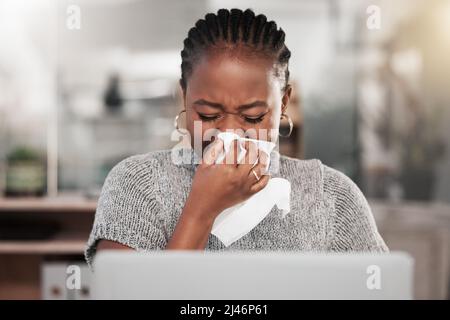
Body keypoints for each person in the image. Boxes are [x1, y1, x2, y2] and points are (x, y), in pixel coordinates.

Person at [85, 8, 388, 267]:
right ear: (185, 96)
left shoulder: (331, 196)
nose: (228, 134)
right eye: (208, 114)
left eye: (253, 117)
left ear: (283, 103)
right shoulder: (138, 185)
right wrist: (201, 210)